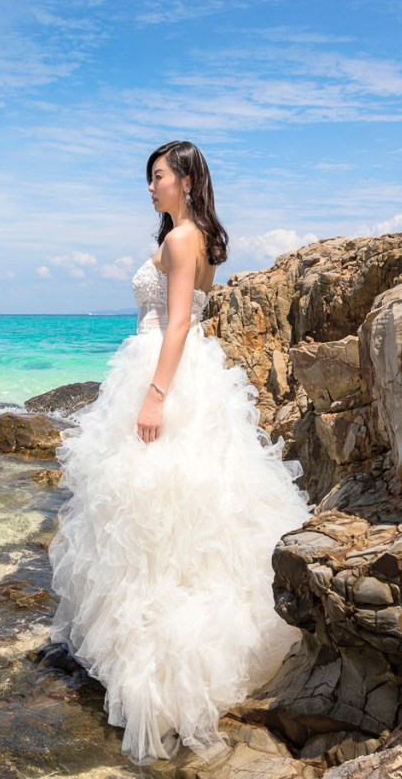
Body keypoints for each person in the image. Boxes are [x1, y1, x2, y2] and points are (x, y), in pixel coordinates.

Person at [48, 141, 312, 765]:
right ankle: (142, 655)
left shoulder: (184, 239)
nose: (150, 186)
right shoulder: (184, 234)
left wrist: (155, 394)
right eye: (149, 178)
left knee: (162, 515)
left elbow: (176, 324)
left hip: (168, 372)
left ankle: (164, 677)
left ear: (187, 181)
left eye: (158, 176)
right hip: (170, 369)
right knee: (159, 519)